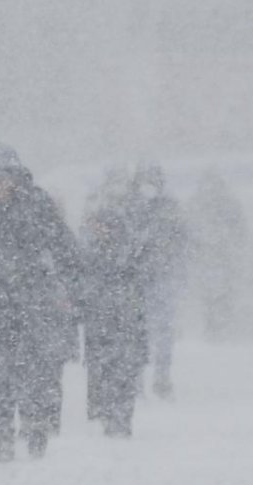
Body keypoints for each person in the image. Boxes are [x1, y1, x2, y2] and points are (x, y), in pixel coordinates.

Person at [0, 145, 81, 460]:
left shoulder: (37, 202)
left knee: (35, 366)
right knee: (2, 369)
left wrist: (71, 286)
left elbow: (64, 245)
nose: (3, 182)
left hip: (34, 300)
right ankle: (3, 435)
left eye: (7, 175)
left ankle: (35, 424)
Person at [80, 168, 152, 438]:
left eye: (103, 227)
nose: (99, 231)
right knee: (109, 372)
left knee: (120, 372)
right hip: (106, 324)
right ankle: (111, 416)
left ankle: (119, 417)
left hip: (120, 323)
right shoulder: (97, 252)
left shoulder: (124, 252)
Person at [130, 162, 187, 399]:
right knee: (139, 332)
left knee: (161, 332)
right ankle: (141, 381)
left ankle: (159, 378)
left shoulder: (167, 209)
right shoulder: (133, 208)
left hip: (159, 277)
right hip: (140, 279)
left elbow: (182, 240)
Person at [187, 169, 246, 340]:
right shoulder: (196, 204)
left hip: (223, 258)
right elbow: (187, 231)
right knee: (209, 295)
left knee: (223, 294)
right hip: (207, 258)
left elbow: (239, 230)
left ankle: (221, 326)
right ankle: (213, 327)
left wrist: (230, 244)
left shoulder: (228, 204)